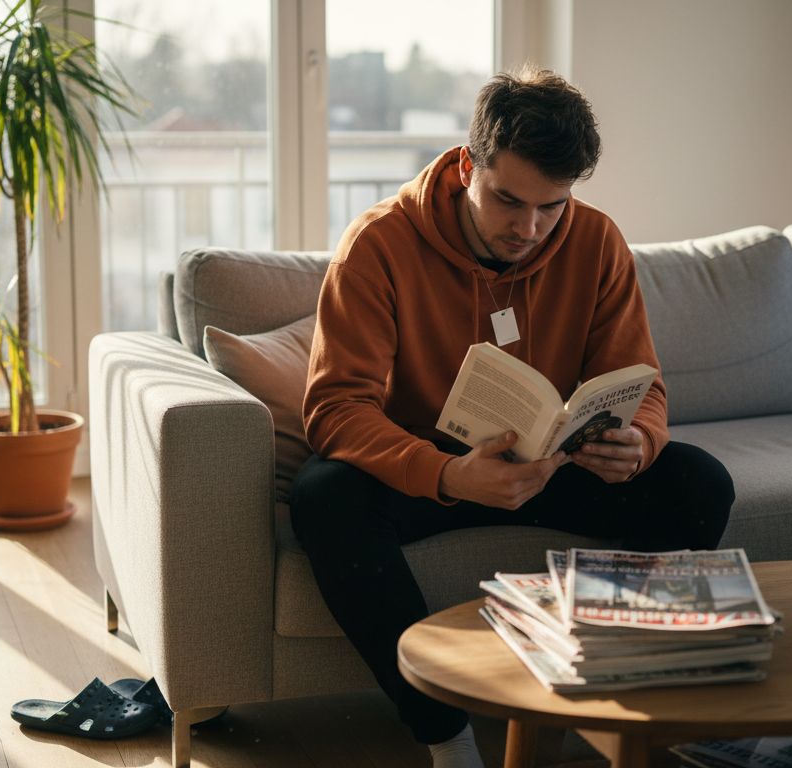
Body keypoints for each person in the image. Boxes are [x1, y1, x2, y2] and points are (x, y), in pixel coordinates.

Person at [290, 65, 735, 768]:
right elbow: (335, 408)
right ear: (469, 164)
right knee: (323, 498)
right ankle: (446, 738)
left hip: (554, 467)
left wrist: (638, 444)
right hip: (431, 477)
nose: (528, 228)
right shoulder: (378, 245)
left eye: (552, 206)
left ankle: (606, 689)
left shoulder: (596, 242)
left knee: (699, 482)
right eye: (507, 200)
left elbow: (643, 384)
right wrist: (446, 474)